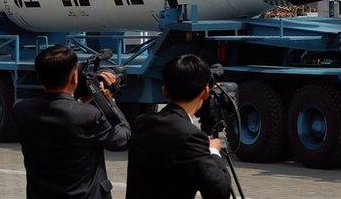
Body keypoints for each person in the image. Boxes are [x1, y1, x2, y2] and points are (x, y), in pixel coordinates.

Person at [12, 45, 130, 199]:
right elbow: (123, 138)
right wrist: (109, 100)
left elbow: (64, 115)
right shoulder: (88, 115)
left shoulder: (22, 110)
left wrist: (81, 101)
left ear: (39, 77)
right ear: (74, 77)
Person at [126, 55, 231, 199]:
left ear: (165, 90)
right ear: (205, 92)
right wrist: (213, 150)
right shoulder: (191, 136)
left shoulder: (141, 123)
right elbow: (219, 192)